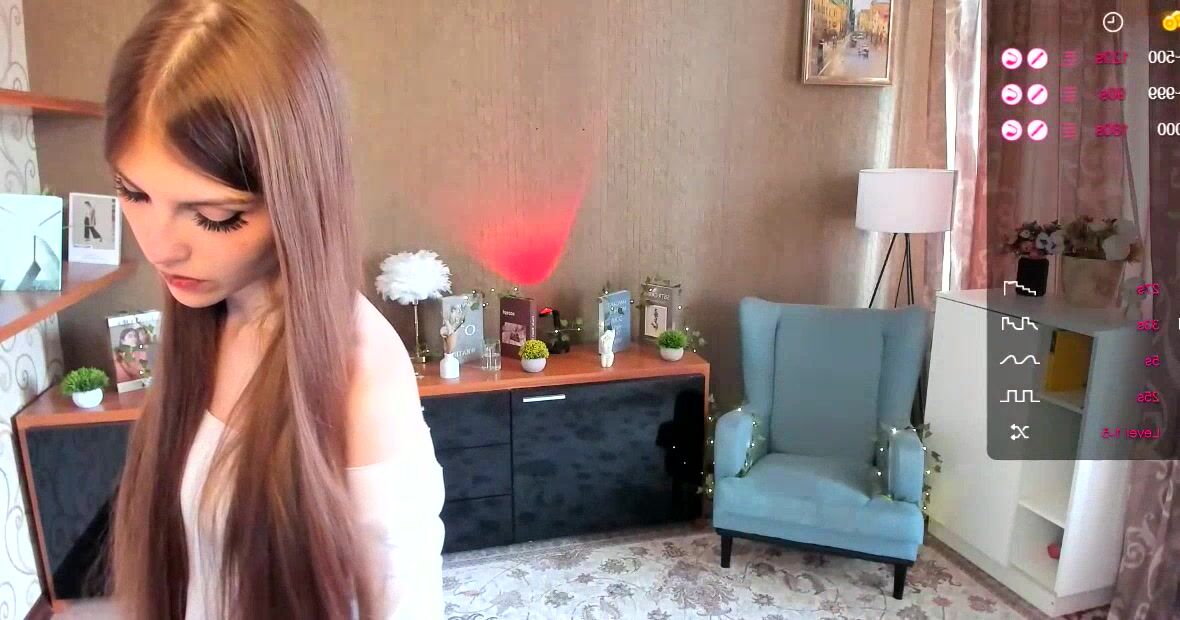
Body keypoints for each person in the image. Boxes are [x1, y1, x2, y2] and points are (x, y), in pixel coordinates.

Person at [103, 1, 445, 618]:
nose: (158, 247)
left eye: (215, 216)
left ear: (298, 194)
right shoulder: (211, 318)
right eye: (134, 193)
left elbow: (403, 602)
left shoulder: (360, 371)